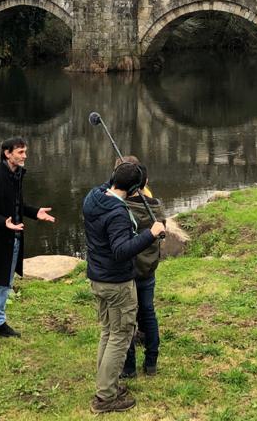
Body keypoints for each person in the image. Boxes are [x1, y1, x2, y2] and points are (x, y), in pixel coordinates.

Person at [82, 160, 166, 414]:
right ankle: (105, 396)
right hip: (116, 282)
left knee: (108, 331)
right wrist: (150, 234)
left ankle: (107, 384)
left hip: (97, 277)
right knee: (120, 336)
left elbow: (114, 184)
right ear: (134, 191)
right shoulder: (117, 213)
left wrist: (127, 176)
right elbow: (120, 251)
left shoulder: (93, 197)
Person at [0, 136, 54, 351]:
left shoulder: (16, 176)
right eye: (20, 152)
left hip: (14, 239)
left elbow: (18, 205)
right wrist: (4, 222)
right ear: (7, 153)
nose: (24, 156)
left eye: (24, 151)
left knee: (5, 283)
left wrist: (35, 212)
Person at [119, 157, 163, 379]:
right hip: (149, 270)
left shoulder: (122, 208)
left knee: (127, 318)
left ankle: (128, 368)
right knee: (148, 312)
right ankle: (152, 362)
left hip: (128, 272)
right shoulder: (156, 207)